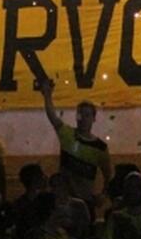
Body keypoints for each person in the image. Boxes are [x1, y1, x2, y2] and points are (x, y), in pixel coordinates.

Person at [37, 77, 112, 205]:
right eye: (80, 115)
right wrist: (47, 96)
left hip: (86, 200)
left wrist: (103, 195)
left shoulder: (100, 147)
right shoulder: (68, 134)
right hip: (64, 199)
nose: (83, 119)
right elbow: (52, 117)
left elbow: (108, 175)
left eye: (87, 115)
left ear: (94, 118)